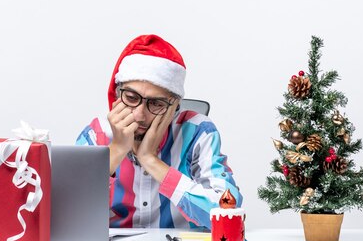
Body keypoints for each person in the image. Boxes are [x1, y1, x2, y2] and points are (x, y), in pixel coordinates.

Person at [76, 34, 242, 229]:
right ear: (117, 96)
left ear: (175, 106)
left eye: (156, 103)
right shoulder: (96, 136)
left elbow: (227, 214)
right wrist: (117, 149)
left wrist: (151, 160)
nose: (139, 115)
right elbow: (69, 217)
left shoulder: (199, 133)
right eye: (131, 97)